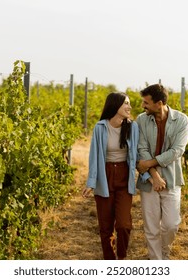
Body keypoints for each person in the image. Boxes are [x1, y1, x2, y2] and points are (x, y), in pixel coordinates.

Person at [82, 92, 139, 260]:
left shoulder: (132, 127)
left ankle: (121, 259)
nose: (129, 107)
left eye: (129, 103)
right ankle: (110, 262)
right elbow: (94, 157)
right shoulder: (100, 127)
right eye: (126, 103)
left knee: (123, 225)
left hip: (124, 175)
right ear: (115, 106)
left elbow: (136, 154)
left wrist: (145, 176)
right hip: (104, 176)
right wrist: (91, 182)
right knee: (106, 227)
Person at [136, 84, 188, 260]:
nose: (143, 106)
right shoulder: (141, 120)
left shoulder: (181, 120)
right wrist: (155, 175)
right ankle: (156, 261)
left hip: (172, 178)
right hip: (149, 180)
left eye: (146, 102)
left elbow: (177, 151)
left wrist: (150, 163)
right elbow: (142, 148)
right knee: (151, 227)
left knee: (171, 224)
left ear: (159, 103)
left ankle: (164, 250)